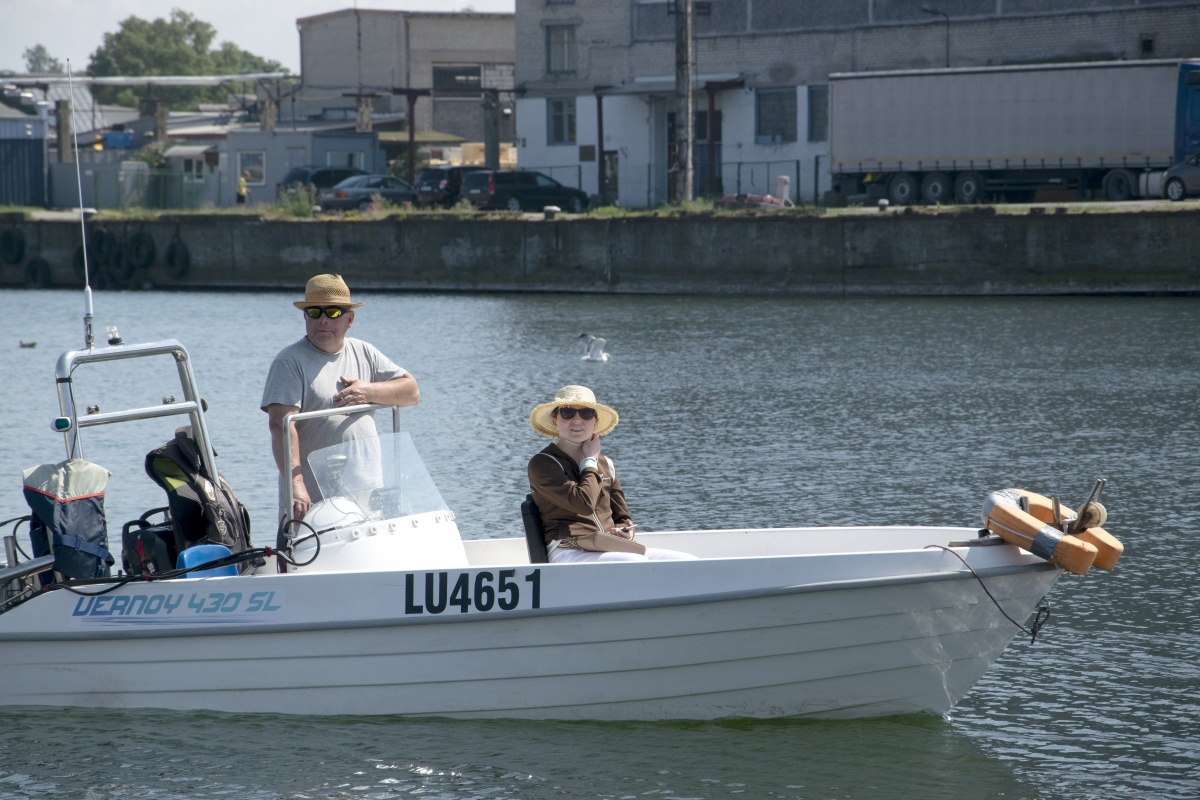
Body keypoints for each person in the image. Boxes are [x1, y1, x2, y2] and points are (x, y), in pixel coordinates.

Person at [262, 273, 419, 521]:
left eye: (333, 312)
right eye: (315, 311)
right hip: (313, 504)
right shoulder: (289, 362)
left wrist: (368, 392)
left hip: (368, 497)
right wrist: (296, 486)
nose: (323, 320)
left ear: (350, 319)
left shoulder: (364, 352)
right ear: (305, 316)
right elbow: (279, 425)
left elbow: (411, 393)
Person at [527, 385, 695, 563]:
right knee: (635, 562)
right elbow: (584, 504)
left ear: (595, 421)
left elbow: (622, 516)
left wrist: (626, 531)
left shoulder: (606, 464)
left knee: (687, 561)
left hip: (609, 547)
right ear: (555, 421)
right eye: (567, 413)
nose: (577, 420)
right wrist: (590, 461)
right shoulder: (542, 463)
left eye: (586, 413)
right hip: (567, 550)